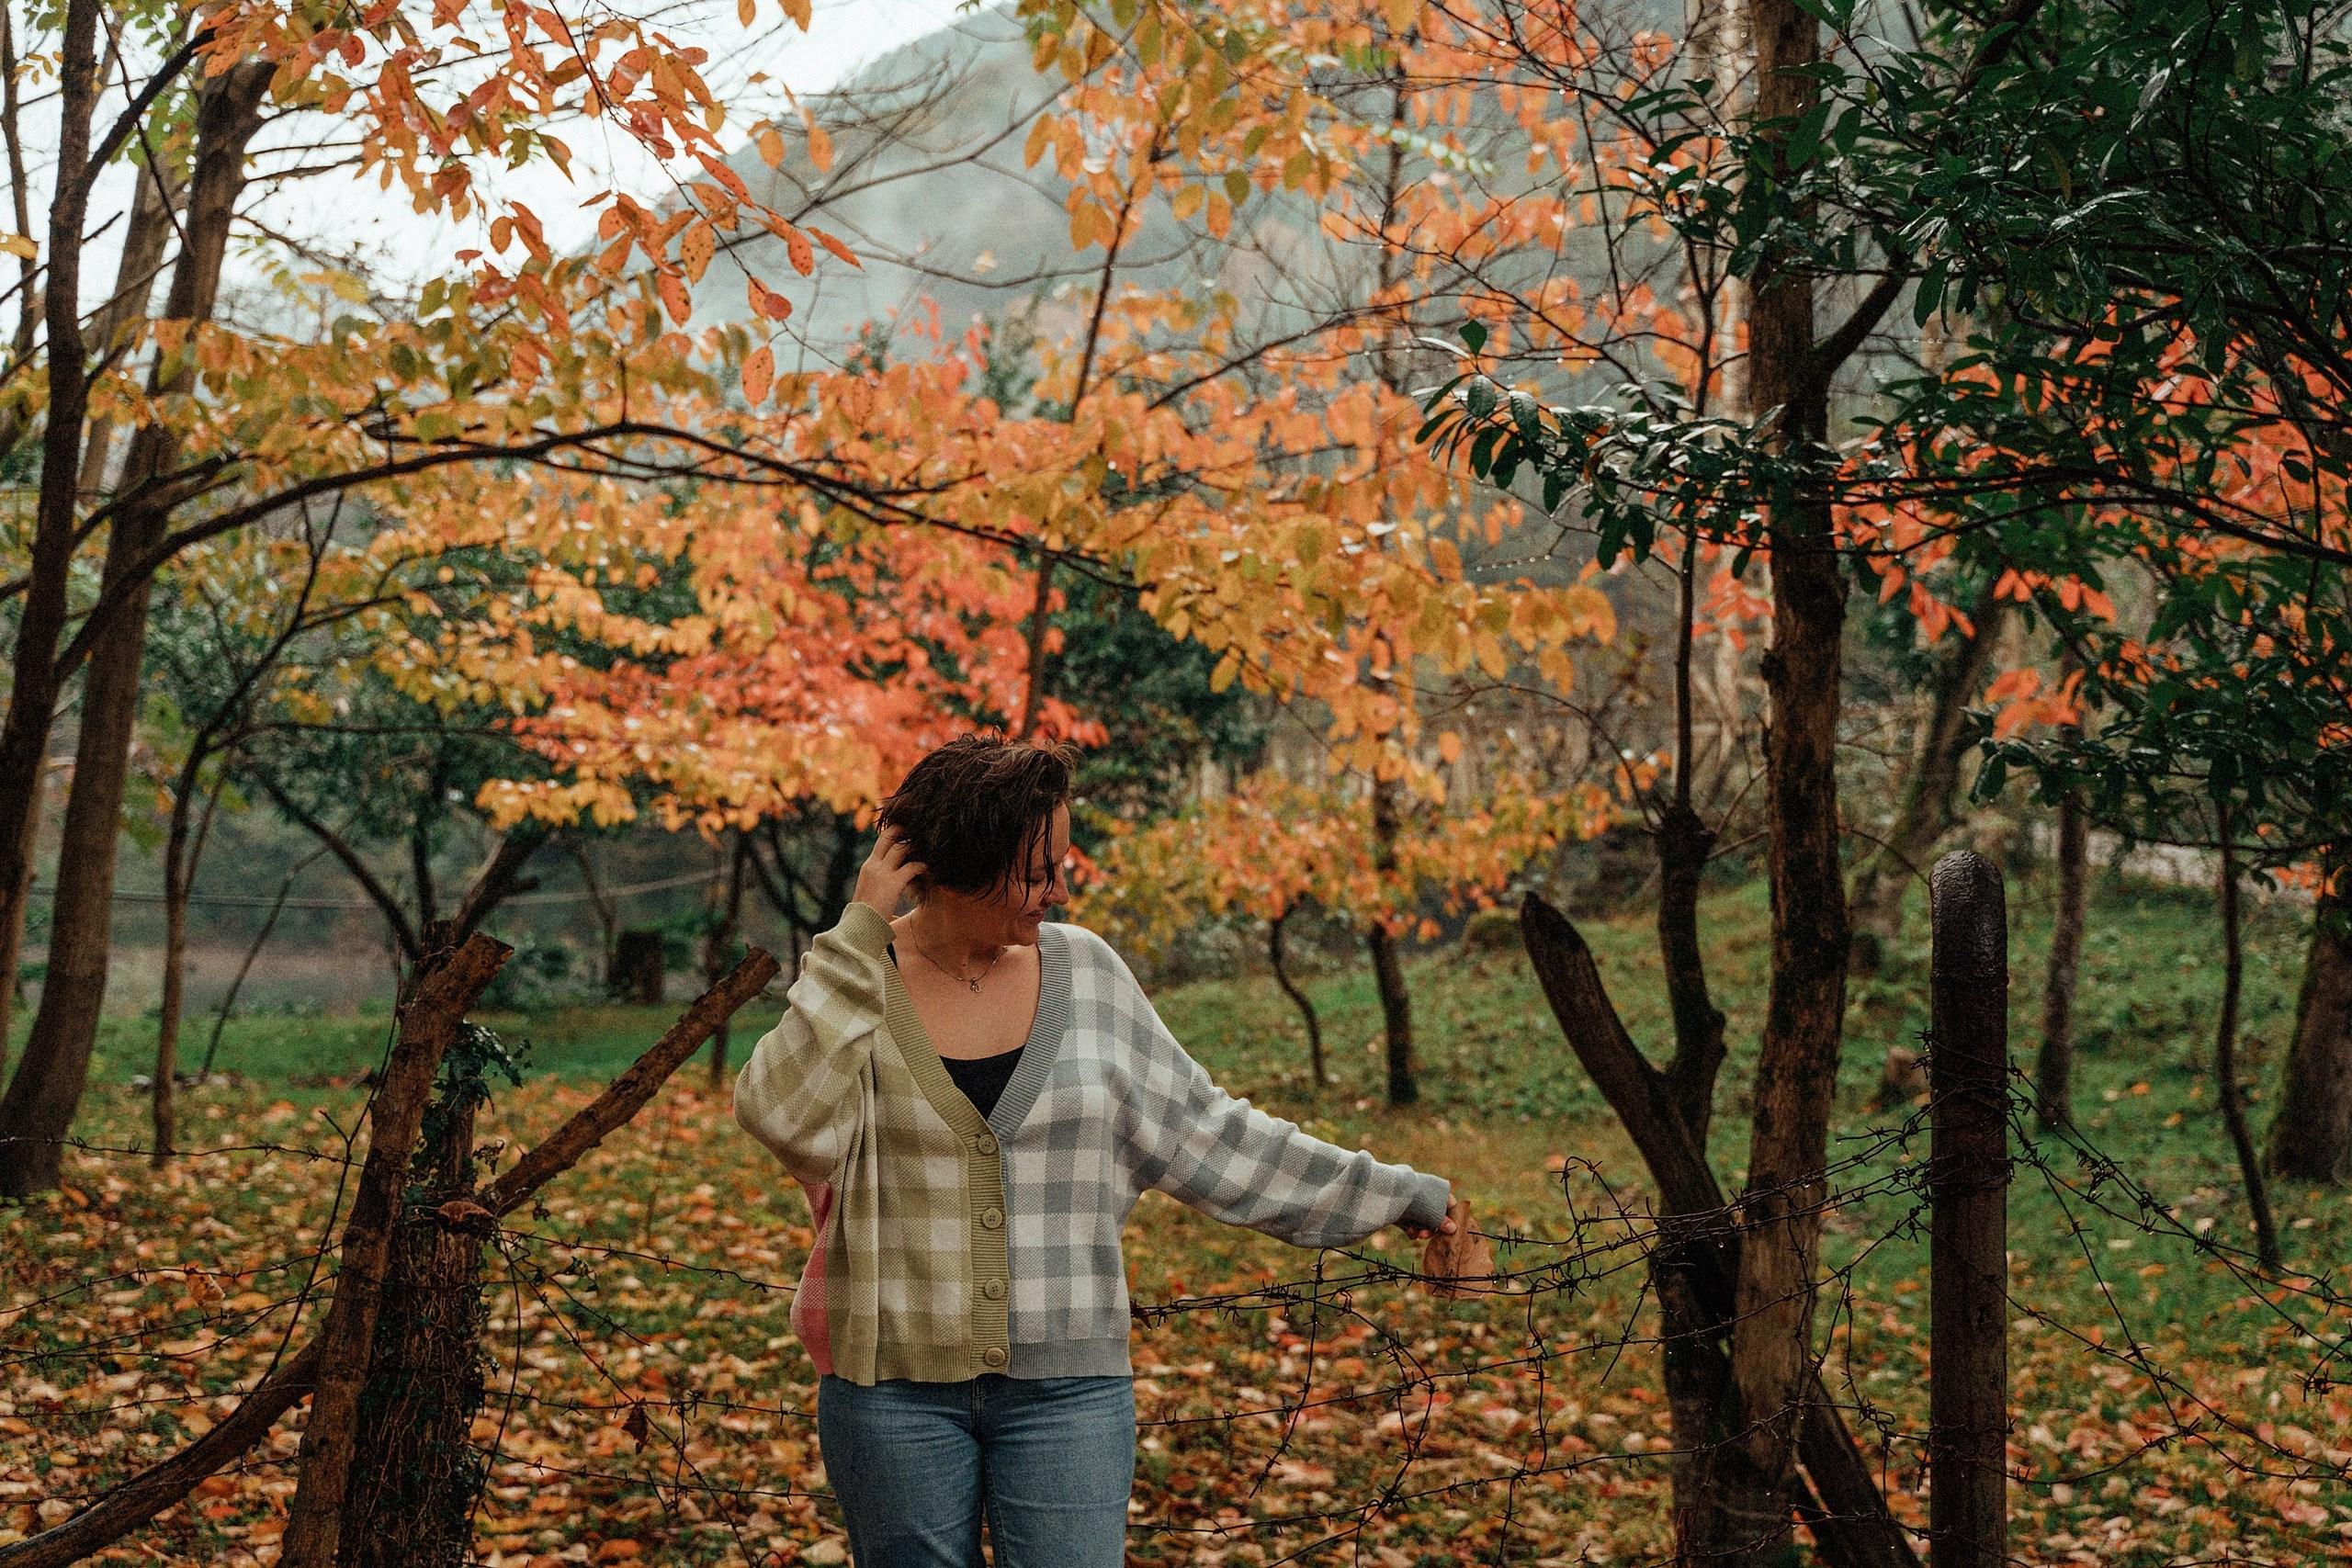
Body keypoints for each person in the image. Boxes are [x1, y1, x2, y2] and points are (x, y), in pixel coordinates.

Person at [735, 736, 1464, 1568]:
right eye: (1038, 870)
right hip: (889, 1390)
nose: (1061, 887)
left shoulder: (1087, 974)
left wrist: (1395, 1191)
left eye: (1062, 864)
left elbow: (1212, 1134)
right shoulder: (858, 978)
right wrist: (860, 934)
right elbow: (781, 1116)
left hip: (1070, 1393)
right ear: (964, 861)